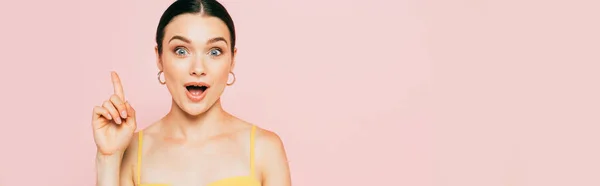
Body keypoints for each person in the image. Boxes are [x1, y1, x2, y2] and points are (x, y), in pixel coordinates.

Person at [91, 0, 292, 185]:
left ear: (232, 59)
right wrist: (108, 158)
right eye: (181, 50)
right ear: (159, 57)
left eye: (214, 52)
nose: (197, 68)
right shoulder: (131, 151)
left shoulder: (265, 149)